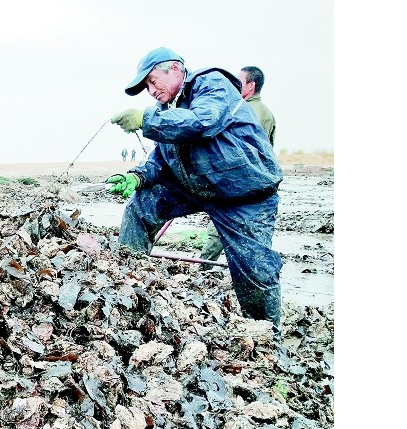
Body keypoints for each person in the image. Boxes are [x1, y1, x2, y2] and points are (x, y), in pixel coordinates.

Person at [107, 47, 284, 326]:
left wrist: (145, 120)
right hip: (196, 186)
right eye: (146, 87)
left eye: (153, 81)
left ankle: (268, 336)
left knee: (255, 271)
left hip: (243, 193)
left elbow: (203, 122)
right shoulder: (165, 109)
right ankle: (130, 286)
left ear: (175, 69)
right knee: (141, 205)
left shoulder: (212, 84)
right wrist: (137, 176)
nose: (151, 91)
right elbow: (160, 158)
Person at [196, 65, 276, 268]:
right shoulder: (265, 112)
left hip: (242, 184)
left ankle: (203, 268)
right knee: (255, 235)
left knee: (221, 230)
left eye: (239, 81)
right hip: (259, 186)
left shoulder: (246, 112)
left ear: (251, 85)